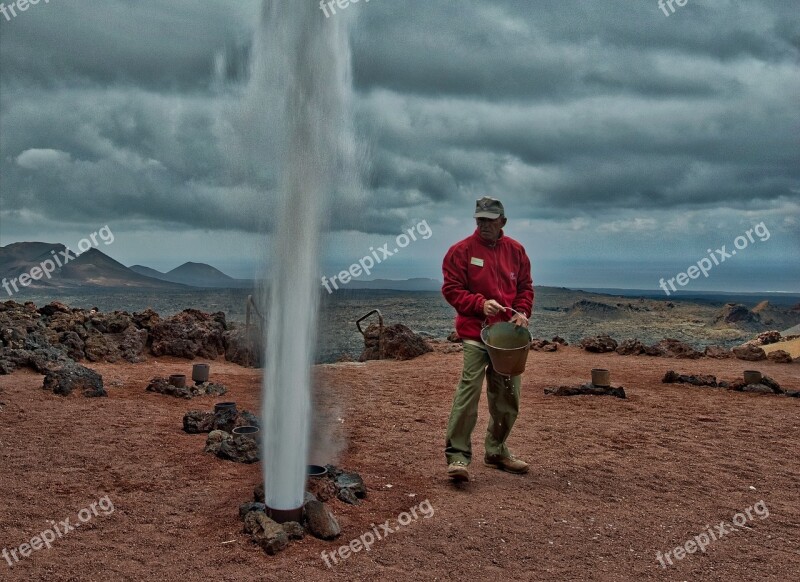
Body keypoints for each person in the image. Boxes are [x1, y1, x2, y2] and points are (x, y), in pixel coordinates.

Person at [441, 196, 534, 482]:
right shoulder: (461, 251)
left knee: (508, 396)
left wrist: (522, 311)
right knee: (468, 391)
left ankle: (496, 450)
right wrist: (479, 304)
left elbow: (525, 287)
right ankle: (457, 456)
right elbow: (452, 289)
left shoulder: (516, 251)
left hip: (507, 338)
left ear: (502, 222)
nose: (484, 226)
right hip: (474, 334)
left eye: (490, 221)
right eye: (480, 220)